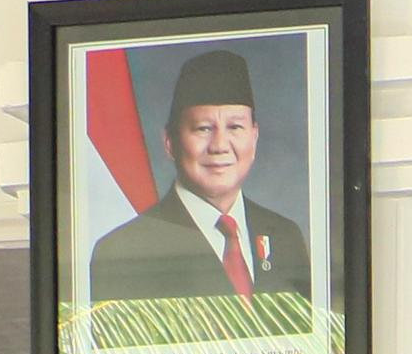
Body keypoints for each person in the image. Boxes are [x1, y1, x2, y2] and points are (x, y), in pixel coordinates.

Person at [87, 44, 314, 304]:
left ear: (254, 136)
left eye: (235, 127)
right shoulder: (123, 250)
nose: (219, 146)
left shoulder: (285, 236)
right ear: (169, 142)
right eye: (203, 128)